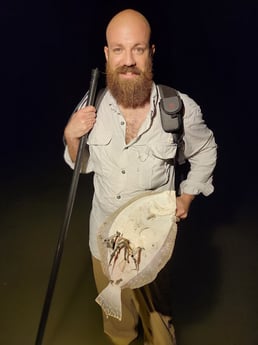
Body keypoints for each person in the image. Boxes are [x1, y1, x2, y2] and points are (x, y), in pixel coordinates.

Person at [63, 8, 217, 345]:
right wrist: (72, 138)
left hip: (150, 243)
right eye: (118, 49)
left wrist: (187, 195)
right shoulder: (90, 106)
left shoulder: (179, 108)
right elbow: (81, 166)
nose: (128, 60)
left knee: (160, 329)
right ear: (107, 55)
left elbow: (206, 152)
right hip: (103, 245)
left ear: (151, 53)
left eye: (138, 48)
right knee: (118, 328)